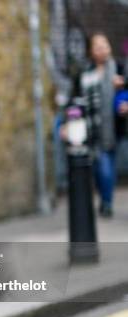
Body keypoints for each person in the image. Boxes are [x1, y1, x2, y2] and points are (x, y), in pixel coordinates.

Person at [65, 32, 128, 218]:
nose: (102, 49)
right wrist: (68, 123)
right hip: (90, 128)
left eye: (105, 45)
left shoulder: (119, 68)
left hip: (114, 128)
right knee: (99, 167)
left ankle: (106, 202)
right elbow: (75, 100)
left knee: (107, 166)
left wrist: (123, 88)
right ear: (91, 51)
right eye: (97, 46)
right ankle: (104, 197)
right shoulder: (84, 73)